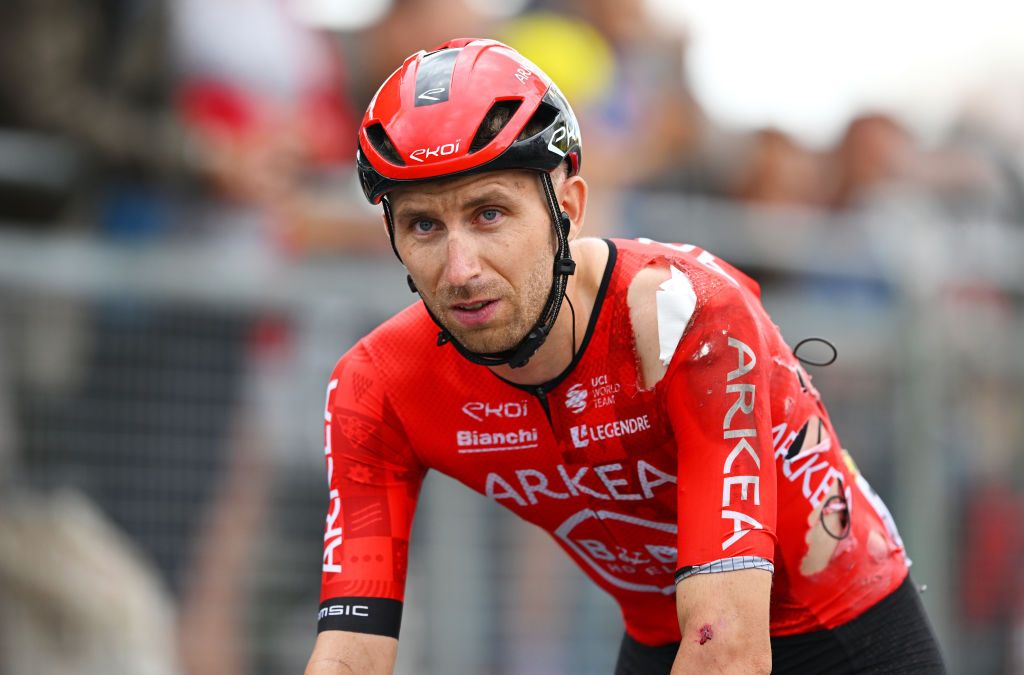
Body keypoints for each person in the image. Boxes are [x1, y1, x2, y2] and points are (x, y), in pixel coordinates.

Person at [305, 38, 945, 674]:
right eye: (423, 225)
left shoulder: (686, 316)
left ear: (570, 210)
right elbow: (349, 657)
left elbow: (729, 651)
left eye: (490, 213)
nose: (461, 268)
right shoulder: (376, 385)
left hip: (841, 632)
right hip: (664, 634)